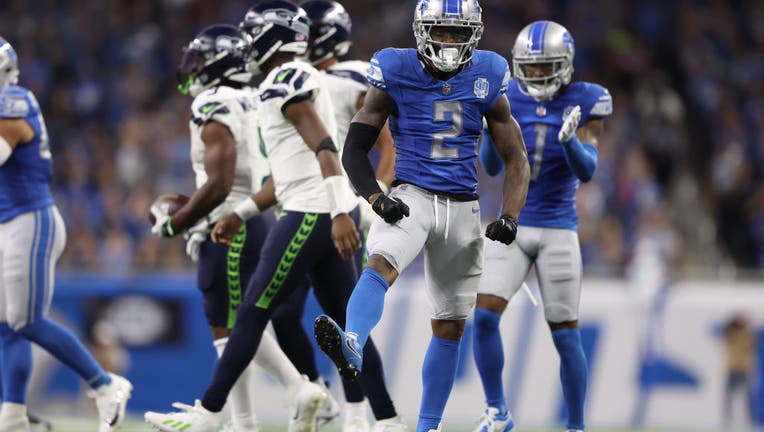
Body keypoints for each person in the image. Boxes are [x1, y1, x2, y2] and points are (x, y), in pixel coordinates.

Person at [145, 2, 397, 430]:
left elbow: (324, 148)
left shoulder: (284, 79)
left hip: (310, 213)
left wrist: (341, 212)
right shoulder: (299, 78)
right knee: (348, 326)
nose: (247, 42)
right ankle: (387, 419)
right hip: (319, 207)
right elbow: (288, 172)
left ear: (271, 36)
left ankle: (209, 413)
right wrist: (243, 213)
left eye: (254, 32)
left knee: (250, 314)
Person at [312, 1, 530, 431]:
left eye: (456, 32)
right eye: (440, 31)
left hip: (464, 207)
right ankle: (352, 342)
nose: (448, 41)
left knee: (449, 326)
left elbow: (516, 156)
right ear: (421, 31)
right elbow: (353, 148)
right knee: (380, 261)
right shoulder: (395, 69)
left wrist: (510, 215)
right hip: (412, 196)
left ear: (474, 34)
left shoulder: (487, 73)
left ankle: (428, 427)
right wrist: (376, 198)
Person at [150, 24, 327, 432]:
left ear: (215, 63)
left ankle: (294, 389)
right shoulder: (254, 96)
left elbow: (220, 182)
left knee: (229, 326)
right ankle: (243, 420)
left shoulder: (213, 103)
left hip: (230, 224)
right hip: (259, 214)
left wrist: (177, 224)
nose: (192, 69)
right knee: (235, 324)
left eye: (198, 60)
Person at [267, 1, 402, 430]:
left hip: (339, 216)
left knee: (347, 321)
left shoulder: (346, 79)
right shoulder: (292, 79)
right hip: (300, 209)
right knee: (282, 313)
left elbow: (389, 148)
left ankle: (374, 416)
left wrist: (368, 203)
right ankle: (316, 396)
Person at [472, 21, 612, 432]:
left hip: (557, 226)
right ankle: (497, 411)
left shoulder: (587, 99)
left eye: (544, 67)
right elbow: (494, 166)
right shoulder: (506, 94)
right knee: (482, 317)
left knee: (567, 336)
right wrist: (485, 131)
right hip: (512, 222)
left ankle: (576, 426)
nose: (535, 75)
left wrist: (571, 140)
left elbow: (587, 172)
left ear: (565, 65)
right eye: (529, 68)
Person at [0, 36, 132, 432]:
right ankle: (12, 414)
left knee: (27, 320)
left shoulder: (14, 101)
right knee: (7, 324)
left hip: (31, 221)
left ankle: (106, 384)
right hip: (10, 225)